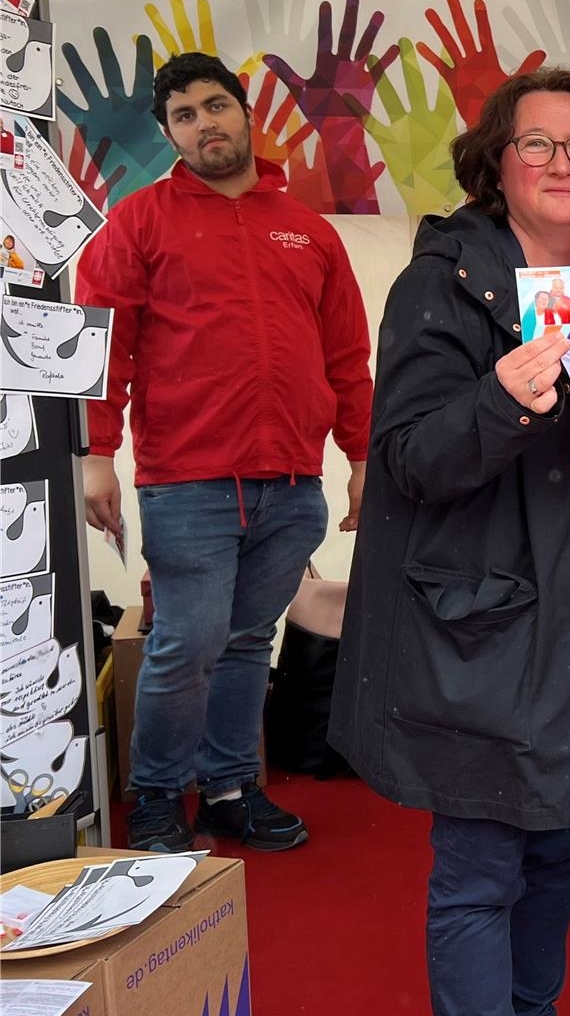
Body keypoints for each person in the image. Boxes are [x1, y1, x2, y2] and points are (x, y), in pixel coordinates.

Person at [329, 68, 570, 1016]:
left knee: (557, 846)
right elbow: (411, 458)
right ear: (496, 166)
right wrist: (503, 398)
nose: (561, 162)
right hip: (488, 621)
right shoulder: (447, 280)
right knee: (480, 867)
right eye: (536, 143)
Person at [75, 52, 372, 854]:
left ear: (245, 113)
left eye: (216, 106)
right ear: (169, 132)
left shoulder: (308, 230)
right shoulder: (140, 221)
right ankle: (160, 797)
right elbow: (104, 345)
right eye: (184, 116)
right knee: (187, 642)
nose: (204, 124)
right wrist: (97, 454)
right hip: (189, 483)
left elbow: (347, 356)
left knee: (248, 641)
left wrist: (363, 460)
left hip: (291, 482)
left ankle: (233, 787)